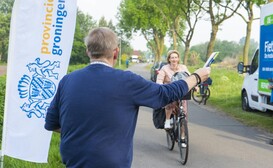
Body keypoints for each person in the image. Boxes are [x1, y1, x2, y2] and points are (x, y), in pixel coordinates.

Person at [44, 27, 210, 168]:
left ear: (88, 51)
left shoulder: (67, 80)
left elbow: (52, 123)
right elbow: (164, 94)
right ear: (115, 53)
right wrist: (196, 77)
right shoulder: (127, 81)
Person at [156, 50, 190, 129]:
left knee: (184, 112)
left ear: (178, 59)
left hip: (181, 90)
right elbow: (159, 80)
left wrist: (195, 86)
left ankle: (182, 136)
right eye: (172, 58)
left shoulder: (183, 67)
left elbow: (190, 77)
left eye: (176, 57)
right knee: (170, 104)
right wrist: (161, 87)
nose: (174, 59)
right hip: (170, 89)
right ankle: (167, 121)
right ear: (169, 59)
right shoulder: (164, 68)